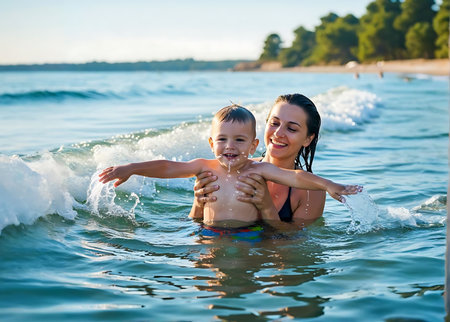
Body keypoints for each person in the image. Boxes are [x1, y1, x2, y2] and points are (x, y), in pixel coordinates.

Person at [99, 104, 360, 228]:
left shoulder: (258, 171)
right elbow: (168, 167)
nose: (229, 147)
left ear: (251, 143)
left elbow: (296, 177)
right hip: (208, 236)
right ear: (211, 142)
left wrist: (330, 185)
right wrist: (131, 167)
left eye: (292, 128)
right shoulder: (206, 167)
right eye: (222, 140)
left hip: (251, 241)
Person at [189, 94, 337, 226]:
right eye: (274, 123)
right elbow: (194, 226)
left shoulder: (311, 192)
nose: (278, 133)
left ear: (307, 139)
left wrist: (267, 207)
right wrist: (198, 203)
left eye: (291, 129)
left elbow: (293, 248)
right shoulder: (231, 167)